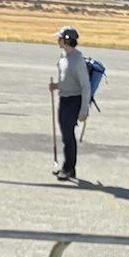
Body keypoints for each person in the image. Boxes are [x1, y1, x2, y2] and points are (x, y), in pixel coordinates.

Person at [49, 25, 89, 181]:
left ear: (66, 40)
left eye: (60, 38)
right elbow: (66, 80)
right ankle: (66, 167)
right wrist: (56, 86)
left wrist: (83, 110)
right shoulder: (64, 57)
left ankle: (69, 168)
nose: (57, 41)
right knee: (65, 135)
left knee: (68, 136)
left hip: (74, 101)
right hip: (64, 98)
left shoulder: (77, 61)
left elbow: (85, 86)